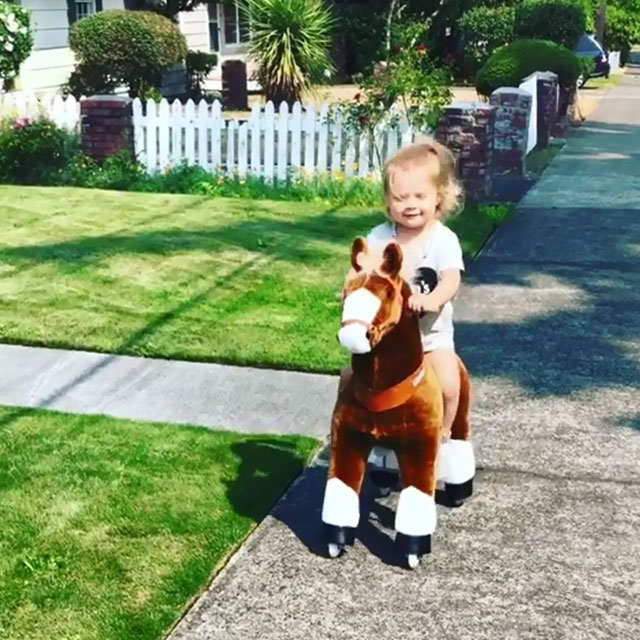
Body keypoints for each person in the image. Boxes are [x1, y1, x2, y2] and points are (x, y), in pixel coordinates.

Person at [340, 138, 465, 440]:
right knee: (349, 380)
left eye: (419, 196)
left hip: (431, 339)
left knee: (448, 382)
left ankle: (443, 432)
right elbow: (362, 269)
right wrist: (350, 291)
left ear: (439, 196)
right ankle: (353, 428)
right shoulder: (381, 236)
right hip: (387, 342)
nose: (410, 204)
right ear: (387, 200)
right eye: (400, 197)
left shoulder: (443, 239)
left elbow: (451, 278)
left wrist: (432, 299)